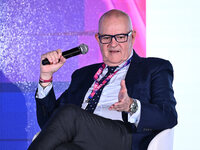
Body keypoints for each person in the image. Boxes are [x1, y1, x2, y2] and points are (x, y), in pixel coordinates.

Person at [28, 9, 177, 150]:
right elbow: (50, 124)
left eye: (120, 37)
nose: (113, 44)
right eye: (106, 37)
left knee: (69, 114)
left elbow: (168, 116)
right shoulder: (82, 75)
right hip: (82, 140)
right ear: (98, 39)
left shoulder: (154, 68)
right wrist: (46, 77)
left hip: (123, 137)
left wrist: (131, 106)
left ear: (132, 36)